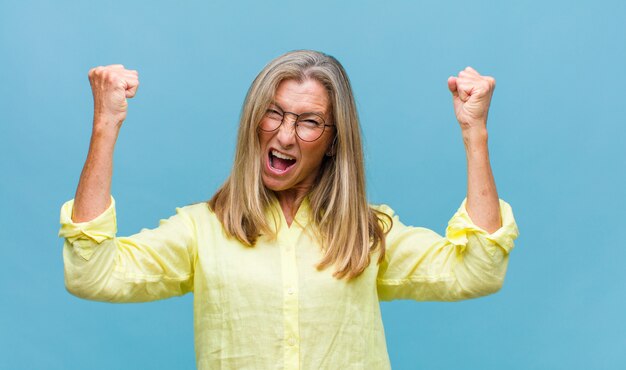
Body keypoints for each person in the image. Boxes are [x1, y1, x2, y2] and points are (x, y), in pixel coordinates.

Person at [59, 50, 519, 369]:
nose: (283, 135)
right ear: (253, 120)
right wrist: (106, 124)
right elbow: (91, 274)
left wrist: (473, 132)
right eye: (274, 113)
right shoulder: (202, 229)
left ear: (335, 140)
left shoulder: (367, 232)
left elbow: (478, 271)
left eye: (309, 122)